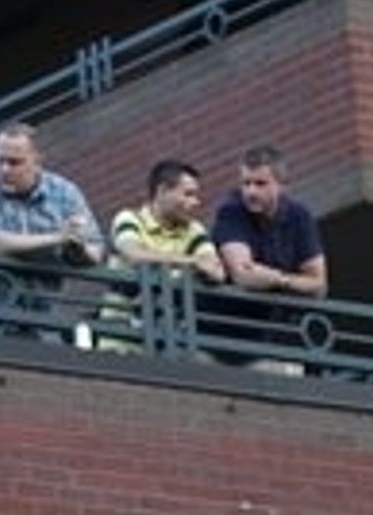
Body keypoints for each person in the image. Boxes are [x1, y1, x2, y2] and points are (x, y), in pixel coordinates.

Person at [0, 121, 103, 334]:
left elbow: (95, 251)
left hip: (37, 320)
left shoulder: (65, 193)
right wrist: (57, 238)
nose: (4, 169)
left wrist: (76, 247)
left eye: (15, 163)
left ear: (37, 160)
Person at [210, 145, 327, 370]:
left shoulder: (299, 216)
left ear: (281, 186)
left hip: (273, 338)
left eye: (260, 184)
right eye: (246, 183)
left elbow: (319, 285)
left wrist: (278, 279)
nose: (251, 192)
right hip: (225, 337)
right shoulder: (232, 211)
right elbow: (243, 275)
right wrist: (291, 281)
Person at [99, 158, 225, 352]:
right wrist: (191, 262)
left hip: (169, 345)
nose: (195, 202)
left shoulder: (194, 230)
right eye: (188, 194)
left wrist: (194, 264)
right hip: (120, 338)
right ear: (163, 191)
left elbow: (217, 272)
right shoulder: (129, 218)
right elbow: (133, 254)